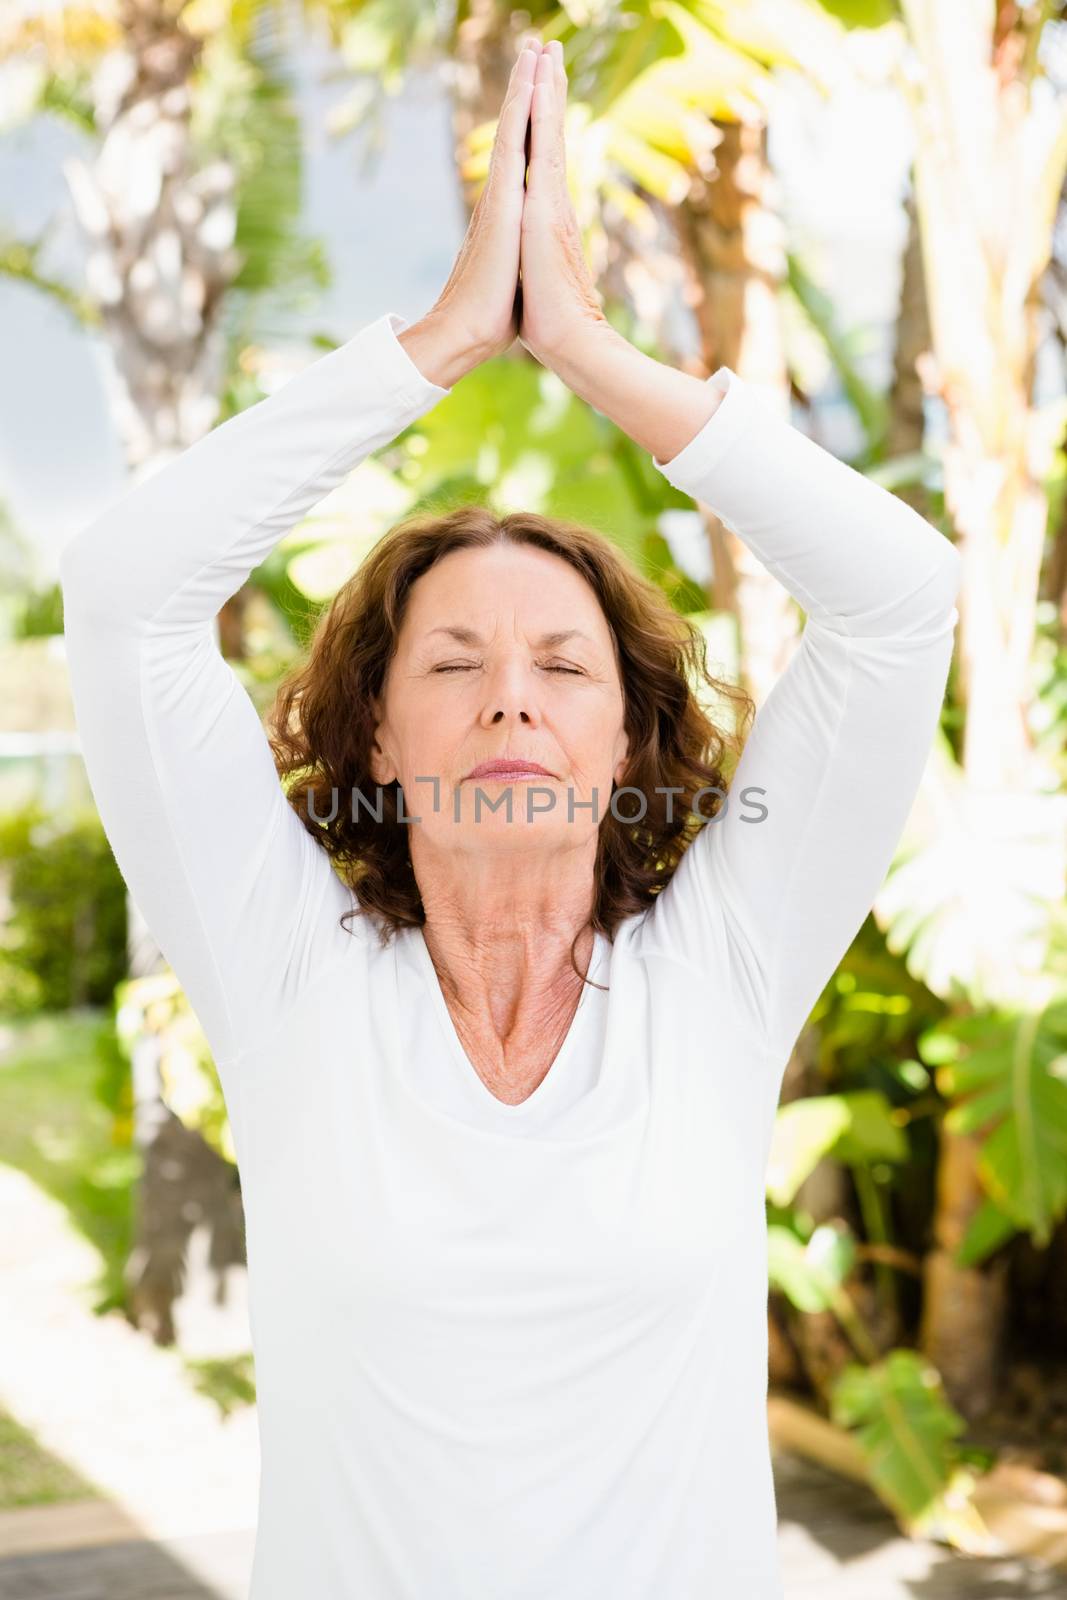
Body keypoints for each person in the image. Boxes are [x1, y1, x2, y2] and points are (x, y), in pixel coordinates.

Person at [59, 36, 961, 1600]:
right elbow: (126, 595)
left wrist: (596, 352)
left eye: (563, 665)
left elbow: (901, 601)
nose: (510, 699)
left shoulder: (719, 977)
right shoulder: (289, 979)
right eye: (454, 664)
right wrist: (442, 343)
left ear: (625, 743)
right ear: (382, 741)